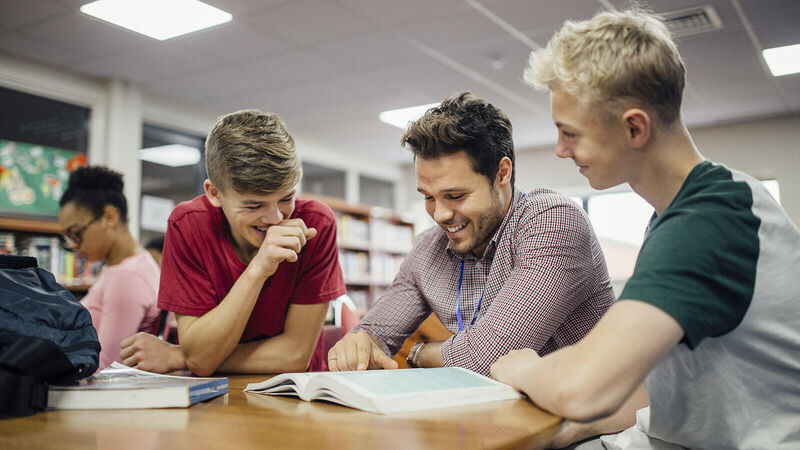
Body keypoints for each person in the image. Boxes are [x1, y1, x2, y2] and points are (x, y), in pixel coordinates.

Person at [490, 9, 800, 449]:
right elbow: (652, 386)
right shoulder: (681, 212)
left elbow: (585, 387)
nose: (561, 150)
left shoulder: (711, 219)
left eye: (571, 133)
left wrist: (521, 367)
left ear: (635, 127)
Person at [328, 92, 617, 375]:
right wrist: (357, 345)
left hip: (590, 418)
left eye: (455, 195)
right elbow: (372, 334)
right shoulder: (428, 249)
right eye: (428, 197)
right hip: (498, 415)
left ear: (502, 173)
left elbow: (488, 358)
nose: (439, 215)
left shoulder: (552, 220)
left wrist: (419, 352)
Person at [120, 110, 346, 376]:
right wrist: (259, 269)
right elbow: (201, 358)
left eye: (286, 198)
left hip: (295, 394)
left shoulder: (316, 224)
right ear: (214, 193)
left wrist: (181, 356)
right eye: (254, 204)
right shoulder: (188, 224)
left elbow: (294, 356)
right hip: (211, 398)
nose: (275, 218)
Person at [58, 166, 161, 371]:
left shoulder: (127, 276)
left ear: (109, 217)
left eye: (76, 233)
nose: (73, 244)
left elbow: (106, 368)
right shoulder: (122, 267)